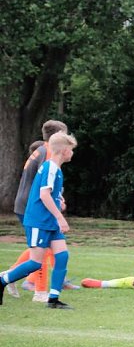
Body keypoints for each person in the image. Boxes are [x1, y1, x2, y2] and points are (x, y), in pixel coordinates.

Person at [0, 132, 77, 309]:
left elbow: (50, 194)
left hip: (49, 221)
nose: (72, 153)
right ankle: (3, 280)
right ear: (65, 150)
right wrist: (60, 217)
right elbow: (44, 195)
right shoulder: (50, 168)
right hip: (39, 221)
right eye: (71, 150)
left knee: (62, 256)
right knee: (35, 263)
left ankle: (53, 299)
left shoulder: (56, 168)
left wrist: (59, 203)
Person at [11, 121, 68, 302]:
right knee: (40, 251)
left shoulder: (41, 150)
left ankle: (12, 277)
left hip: (29, 203)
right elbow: (45, 188)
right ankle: (39, 291)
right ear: (57, 136)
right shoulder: (48, 153)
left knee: (44, 248)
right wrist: (58, 207)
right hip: (33, 206)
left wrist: (59, 198)